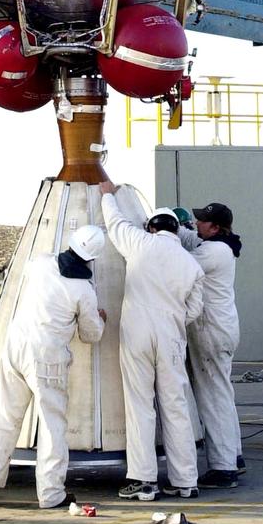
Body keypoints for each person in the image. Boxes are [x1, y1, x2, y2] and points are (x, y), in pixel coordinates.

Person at [0, 225, 107, 508]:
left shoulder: (40, 263)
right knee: (52, 425)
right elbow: (90, 334)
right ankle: (51, 494)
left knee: (6, 417)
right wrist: (99, 317)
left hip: (15, 346)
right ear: (93, 258)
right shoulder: (83, 289)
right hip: (47, 356)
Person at [99, 182, 204, 502]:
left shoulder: (141, 243)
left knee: (140, 405)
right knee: (175, 406)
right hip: (172, 337)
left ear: (152, 226)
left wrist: (107, 194)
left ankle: (144, 480)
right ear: (175, 229)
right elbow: (195, 310)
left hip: (138, 334)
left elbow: (115, 224)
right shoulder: (192, 264)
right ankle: (185, 480)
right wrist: (170, 319)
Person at [177, 201, 244, 489]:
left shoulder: (212, 252)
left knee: (212, 400)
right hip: (222, 329)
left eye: (202, 221)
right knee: (222, 395)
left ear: (215, 227)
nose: (196, 224)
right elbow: (190, 239)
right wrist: (175, 228)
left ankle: (223, 467)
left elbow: (178, 264)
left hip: (210, 332)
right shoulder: (222, 246)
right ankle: (234, 456)